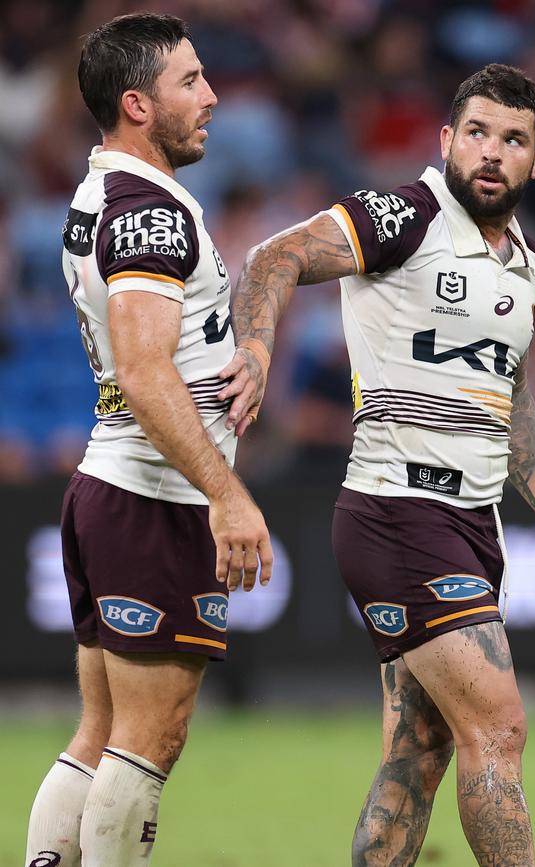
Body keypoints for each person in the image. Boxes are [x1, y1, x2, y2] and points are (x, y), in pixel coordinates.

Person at [219, 64, 535, 866]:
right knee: (497, 728)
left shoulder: (526, 265)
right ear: (447, 140)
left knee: (418, 754)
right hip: (398, 512)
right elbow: (273, 256)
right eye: (477, 132)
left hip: (473, 523)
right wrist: (257, 348)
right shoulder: (407, 214)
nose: (491, 152)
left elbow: (511, 391)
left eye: (513, 139)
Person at [24, 13, 273, 867]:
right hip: (152, 498)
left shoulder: (106, 194)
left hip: (112, 486)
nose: (211, 97)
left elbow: (163, 351)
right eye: (190, 82)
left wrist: (239, 356)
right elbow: (143, 366)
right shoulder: (147, 212)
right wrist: (227, 493)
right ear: (137, 104)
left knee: (101, 730)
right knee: (149, 737)